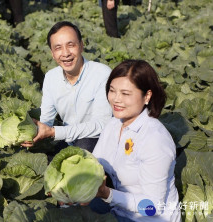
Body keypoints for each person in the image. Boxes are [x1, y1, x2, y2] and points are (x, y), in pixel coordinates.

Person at [89, 60, 181, 221]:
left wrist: (108, 194)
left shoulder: (155, 139)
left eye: (125, 94)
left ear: (147, 96)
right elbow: (93, 164)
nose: (116, 99)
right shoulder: (113, 125)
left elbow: (153, 206)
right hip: (117, 210)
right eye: (112, 90)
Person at [22, 21, 112, 153]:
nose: (65, 53)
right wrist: (34, 132)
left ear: (81, 46)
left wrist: (53, 132)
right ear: (52, 53)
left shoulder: (102, 74)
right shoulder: (51, 78)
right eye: (58, 48)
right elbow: (46, 120)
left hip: (98, 141)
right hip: (68, 139)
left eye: (71, 45)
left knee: (85, 146)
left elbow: (101, 125)